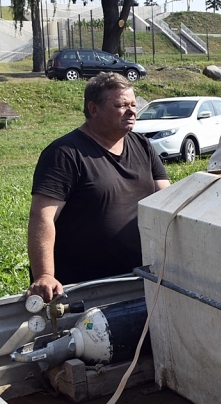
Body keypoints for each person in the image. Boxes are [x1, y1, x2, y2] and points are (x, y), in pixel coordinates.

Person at [28, 72, 170, 301]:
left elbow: (167, 199)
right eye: (121, 105)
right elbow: (42, 217)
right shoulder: (64, 154)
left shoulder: (142, 145)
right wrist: (45, 274)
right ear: (93, 109)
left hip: (137, 280)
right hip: (84, 290)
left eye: (134, 104)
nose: (132, 111)